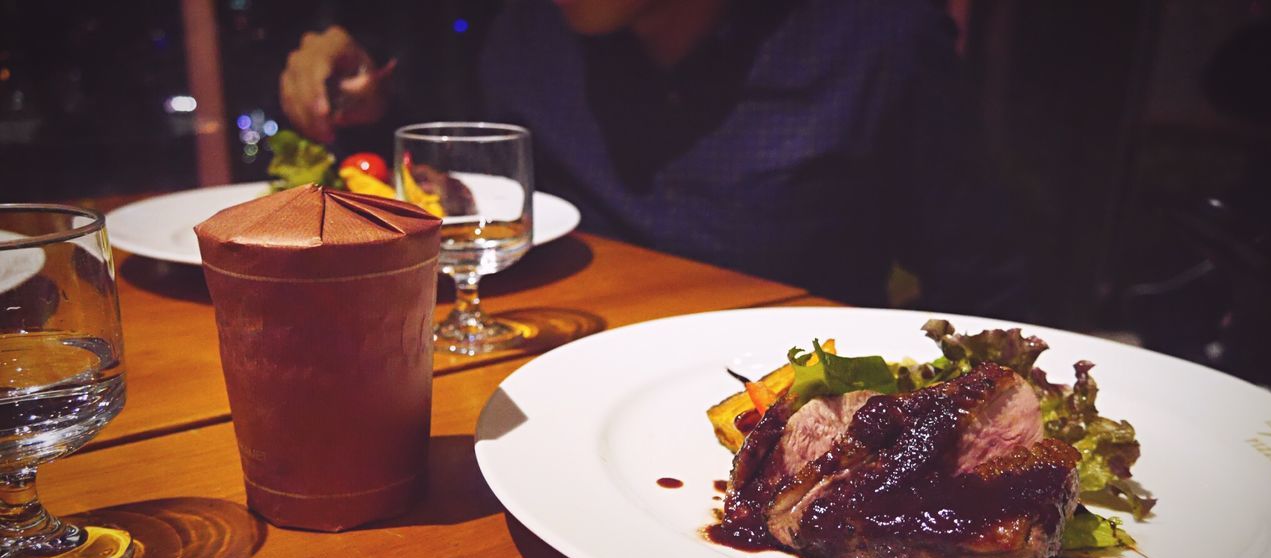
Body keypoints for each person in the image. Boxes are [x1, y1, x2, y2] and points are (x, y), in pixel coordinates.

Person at [279, 0, 1032, 318]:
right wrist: (365, 120)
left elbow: (983, 283)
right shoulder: (527, 38)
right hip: (571, 397)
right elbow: (469, 191)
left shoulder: (877, 37)